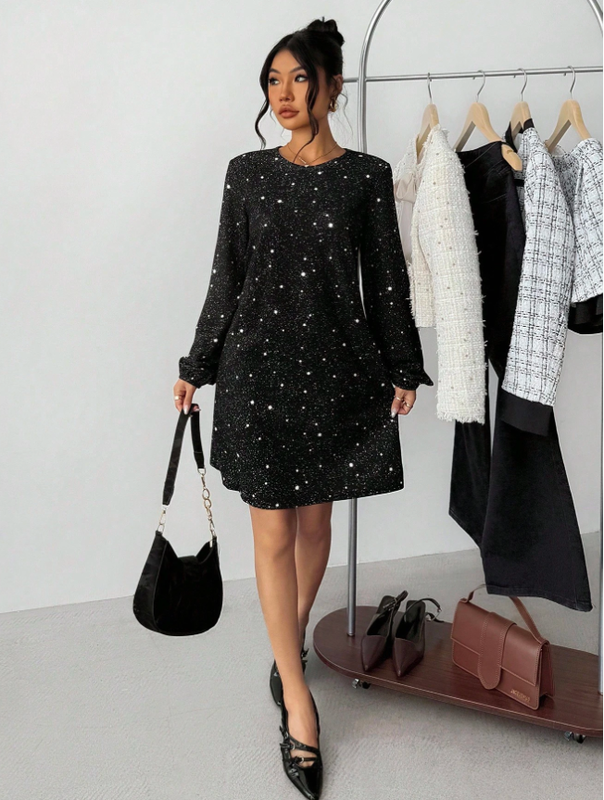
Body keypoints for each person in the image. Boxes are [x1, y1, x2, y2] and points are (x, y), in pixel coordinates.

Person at [173, 17, 432, 800]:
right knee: (273, 532)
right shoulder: (247, 174)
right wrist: (197, 366)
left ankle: (285, 645)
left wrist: (403, 364)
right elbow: (226, 275)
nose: (282, 94)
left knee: (315, 527)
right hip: (256, 375)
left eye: (297, 79)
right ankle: (298, 699)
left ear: (331, 86)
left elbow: (386, 279)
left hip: (336, 375)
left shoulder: (366, 177)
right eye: (272, 81)